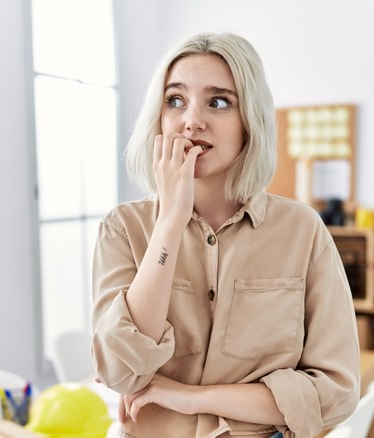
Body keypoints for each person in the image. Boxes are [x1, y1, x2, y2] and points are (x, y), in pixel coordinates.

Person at [91, 32, 360, 438]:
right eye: (175, 100)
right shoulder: (122, 229)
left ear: (249, 121)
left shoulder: (303, 231)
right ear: (158, 118)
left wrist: (192, 397)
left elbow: (336, 393)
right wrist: (169, 223)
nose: (191, 120)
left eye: (219, 102)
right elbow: (121, 370)